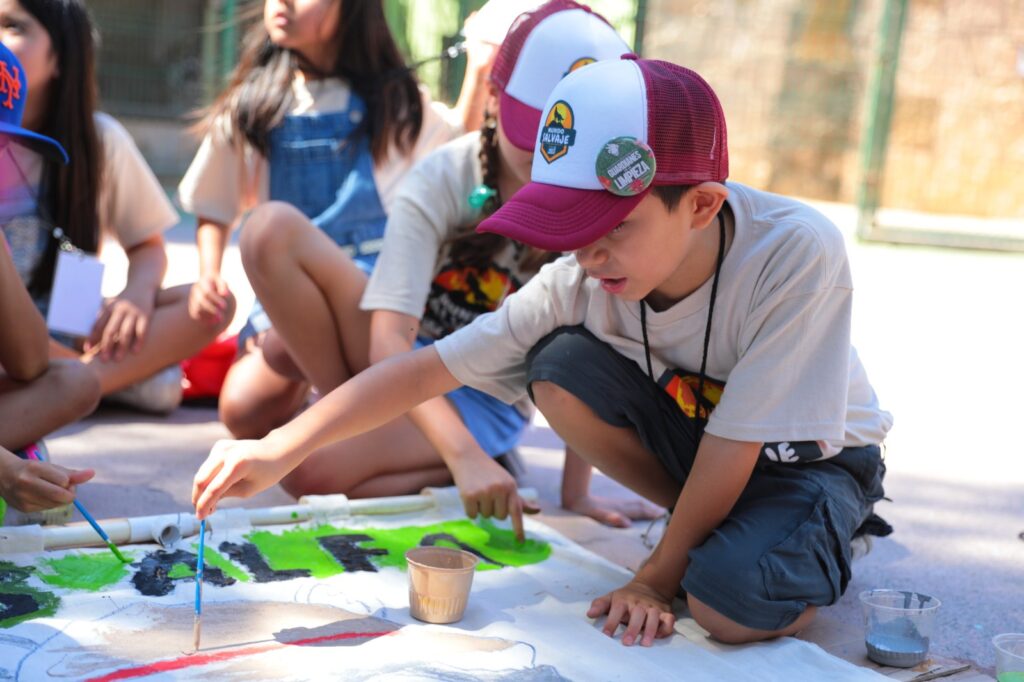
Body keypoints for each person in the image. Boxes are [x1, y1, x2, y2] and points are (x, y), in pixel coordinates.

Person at [192, 57, 893, 647]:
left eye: (612, 226)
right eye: (570, 227)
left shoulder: (795, 252)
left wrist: (656, 576)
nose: (589, 254)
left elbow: (737, 447)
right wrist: (277, 447)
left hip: (808, 467)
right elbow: (424, 368)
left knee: (721, 606)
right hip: (703, 450)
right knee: (557, 364)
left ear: (703, 206)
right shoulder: (583, 275)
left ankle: (823, 545)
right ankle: (718, 536)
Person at [239, 0, 660, 529]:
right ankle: (411, 440)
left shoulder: (596, 197)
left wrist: (576, 494)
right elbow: (389, 341)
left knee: (308, 473)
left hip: (481, 390)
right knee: (268, 234)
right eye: (535, 147)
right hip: (399, 357)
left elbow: (597, 347)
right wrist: (461, 456)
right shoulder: (446, 174)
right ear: (493, 97)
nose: (548, 172)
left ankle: (467, 459)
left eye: (568, 154)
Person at [178, 0, 494, 439]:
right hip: (283, 300)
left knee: (271, 235)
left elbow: (455, 156)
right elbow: (214, 204)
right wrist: (208, 274)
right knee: (241, 413)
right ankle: (355, 409)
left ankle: (342, 418)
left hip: (369, 295)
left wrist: (479, 72)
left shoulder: (393, 99)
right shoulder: (254, 106)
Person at [0, 0, 231, 415]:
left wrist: (135, 296)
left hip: (71, 327)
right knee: (157, 386)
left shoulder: (99, 141)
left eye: (13, 25)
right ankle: (90, 385)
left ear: (61, 58)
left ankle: (76, 386)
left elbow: (147, 246)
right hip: (12, 340)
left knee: (212, 305)